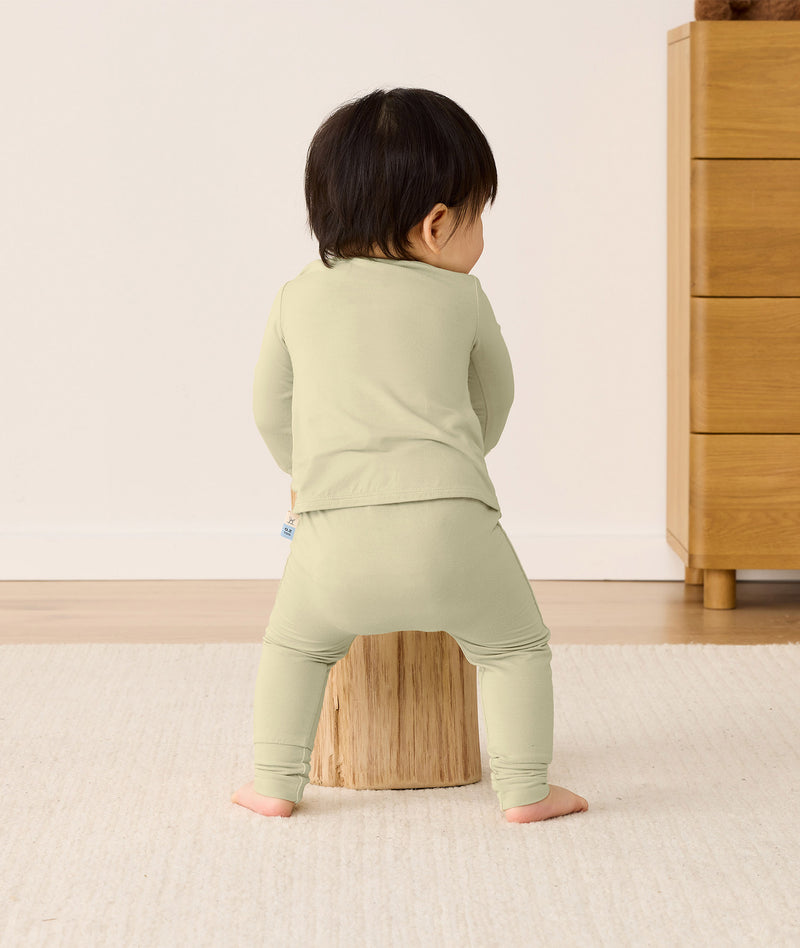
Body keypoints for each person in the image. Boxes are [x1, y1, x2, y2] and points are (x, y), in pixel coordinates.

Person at [232, 88, 588, 823]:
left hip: (332, 536)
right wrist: (458, 458)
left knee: (294, 647)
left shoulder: (297, 297)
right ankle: (525, 789)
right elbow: (495, 397)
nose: (482, 234)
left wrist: (307, 474)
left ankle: (274, 784)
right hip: (452, 531)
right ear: (437, 224)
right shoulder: (464, 297)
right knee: (514, 647)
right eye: (479, 215)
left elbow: (270, 409)